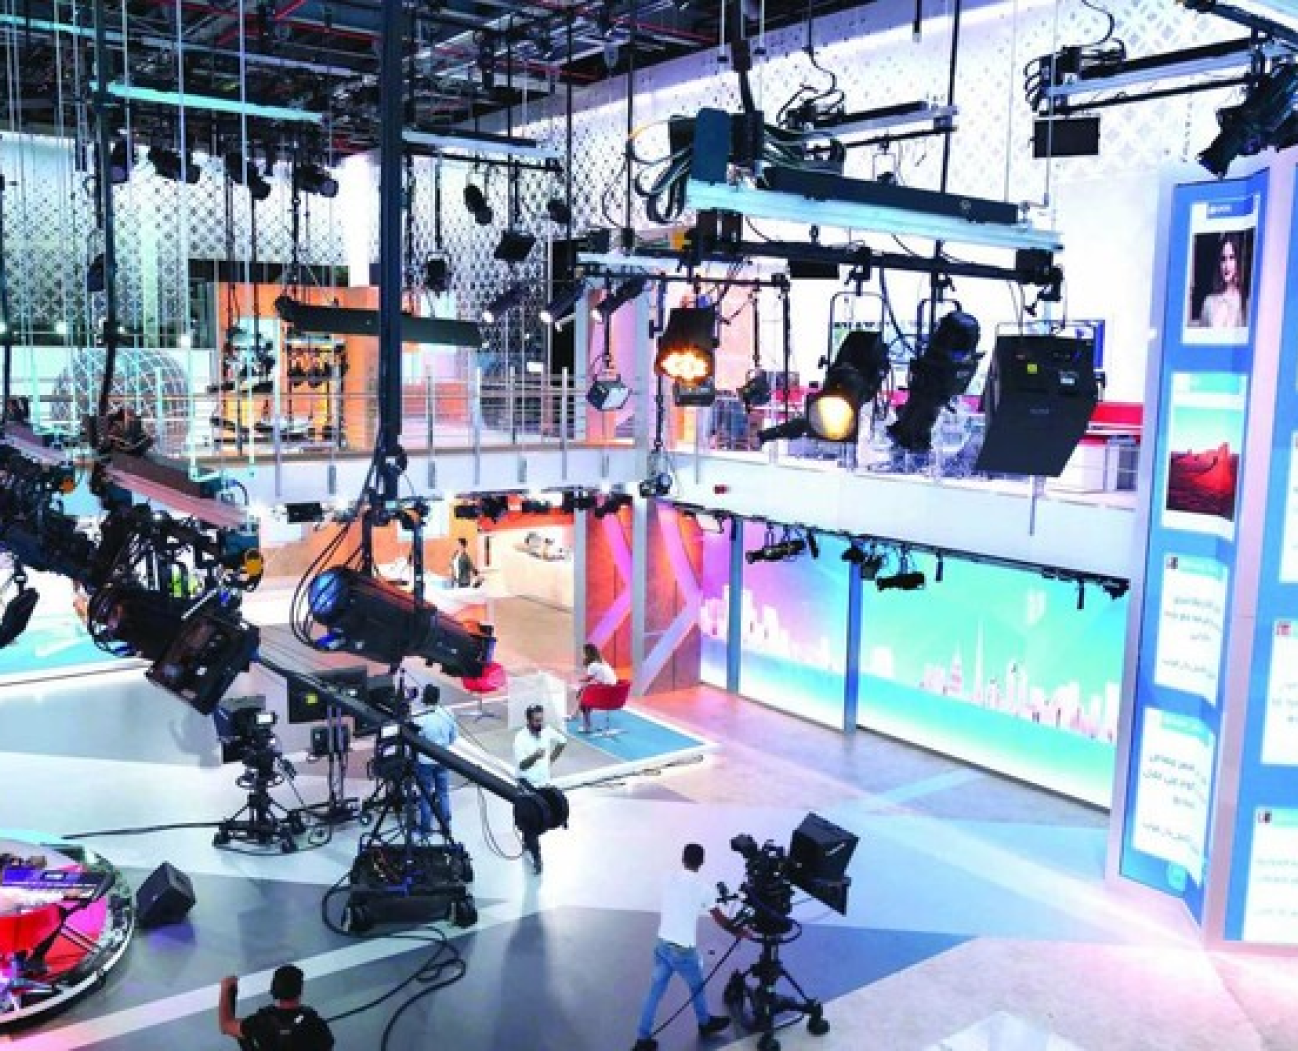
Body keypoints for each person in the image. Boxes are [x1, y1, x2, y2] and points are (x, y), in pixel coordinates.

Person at [632, 844, 739, 1051]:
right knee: (697, 987)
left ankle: (642, 1039)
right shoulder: (704, 889)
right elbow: (719, 919)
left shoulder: (667, 879)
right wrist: (739, 931)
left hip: (662, 945)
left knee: (654, 993)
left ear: (683, 859)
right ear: (702, 862)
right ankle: (705, 1023)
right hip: (684, 952)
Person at [218, 965, 334, 1051]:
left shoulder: (258, 1023)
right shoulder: (316, 1025)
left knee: (244, 1036)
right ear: (300, 990)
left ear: (273, 989)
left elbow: (226, 1026)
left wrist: (225, 988)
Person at [513, 704, 566, 874]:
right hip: (527, 784)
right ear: (528, 720)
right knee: (531, 824)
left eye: (541, 720)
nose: (539, 723)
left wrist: (550, 760)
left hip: (543, 783)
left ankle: (527, 842)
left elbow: (562, 742)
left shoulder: (547, 731)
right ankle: (536, 857)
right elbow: (522, 765)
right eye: (536, 721)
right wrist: (535, 756)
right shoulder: (520, 739)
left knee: (541, 818)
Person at [410, 683, 458, 836]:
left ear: (424, 698)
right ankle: (446, 827)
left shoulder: (419, 718)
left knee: (426, 795)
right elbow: (454, 736)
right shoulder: (448, 713)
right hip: (443, 758)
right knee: (443, 793)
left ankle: (425, 829)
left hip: (425, 762)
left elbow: (415, 742)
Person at [1199, 231, 1246, 329]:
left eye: (1231, 258)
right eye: (1223, 259)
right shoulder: (1209, 302)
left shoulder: (1244, 301)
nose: (1227, 265)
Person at [570, 642, 619, 733]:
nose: (583, 655)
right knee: (583, 692)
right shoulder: (602, 662)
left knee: (583, 697)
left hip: (606, 691)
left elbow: (587, 679)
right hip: (614, 691)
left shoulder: (593, 665)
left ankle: (585, 724)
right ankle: (575, 714)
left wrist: (577, 679)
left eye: (584, 653)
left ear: (588, 653)